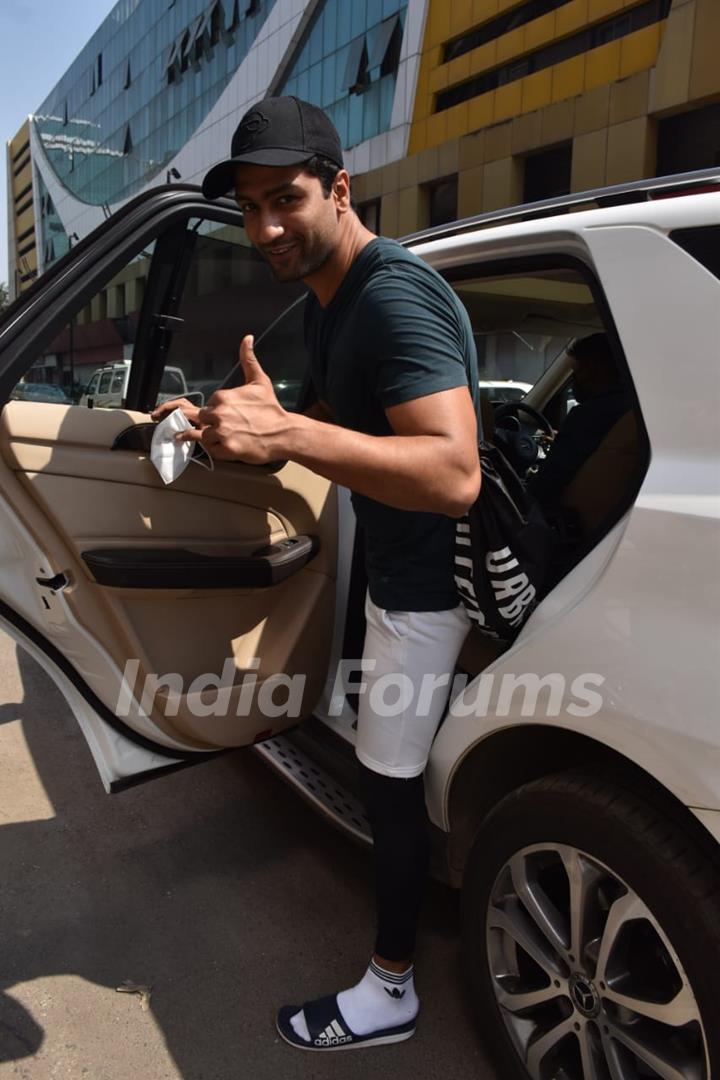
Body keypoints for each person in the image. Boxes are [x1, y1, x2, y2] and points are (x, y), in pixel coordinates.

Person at [153, 95, 480, 1052]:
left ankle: (391, 989)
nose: (265, 228)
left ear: (339, 189)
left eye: (284, 199)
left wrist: (290, 428)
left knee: (389, 782)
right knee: (389, 776)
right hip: (390, 570)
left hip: (427, 590)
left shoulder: (390, 294)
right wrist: (255, 429)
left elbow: (454, 473)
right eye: (250, 207)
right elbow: (348, 442)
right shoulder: (341, 302)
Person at [527, 332, 633, 508]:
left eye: (578, 371)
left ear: (597, 369)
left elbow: (548, 482)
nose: (576, 380)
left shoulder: (588, 416)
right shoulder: (635, 410)